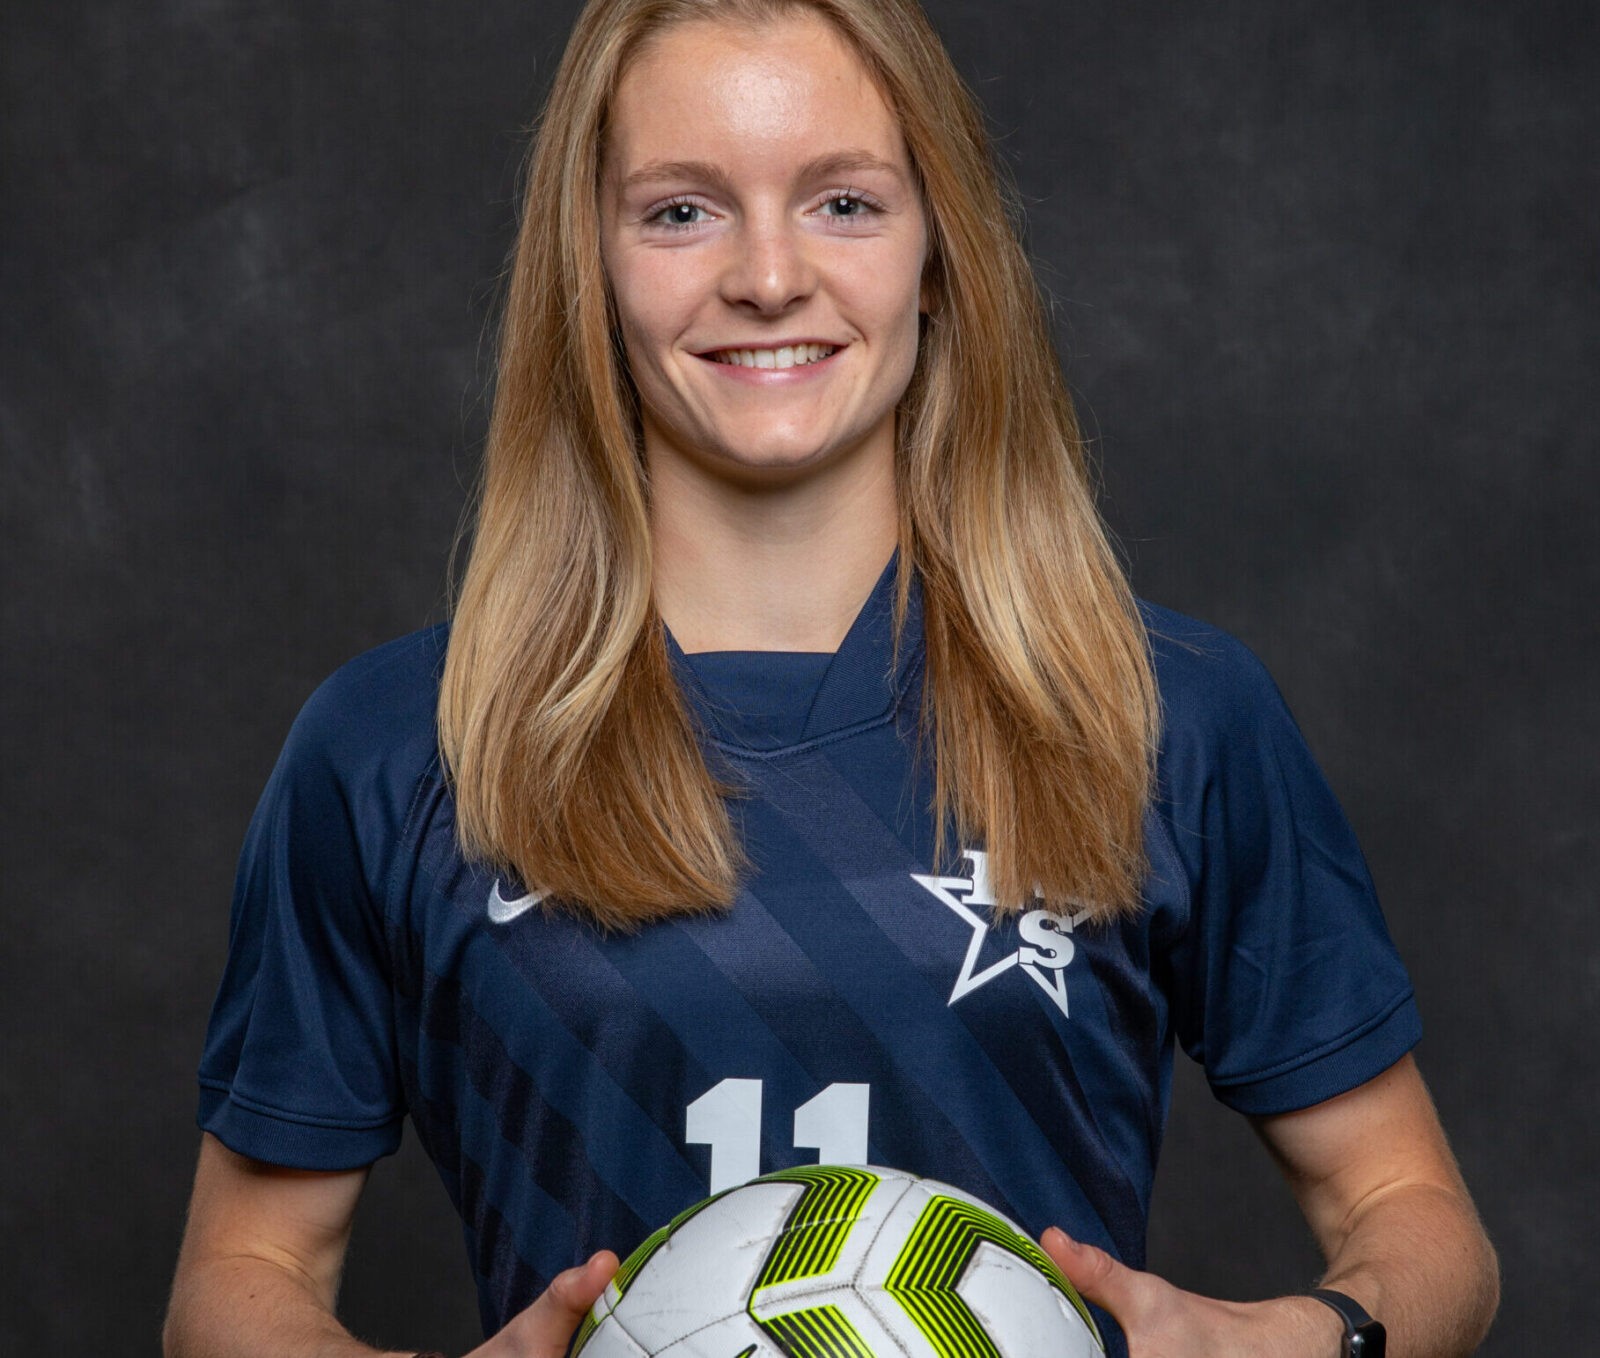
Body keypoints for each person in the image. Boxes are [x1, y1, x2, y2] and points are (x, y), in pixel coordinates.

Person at [163, 0, 1499, 1355]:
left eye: (843, 202)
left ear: (936, 251)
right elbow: (238, 1272)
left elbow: (1412, 1211)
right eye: (681, 212)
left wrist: (1296, 1335)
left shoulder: (1163, 715)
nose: (767, 276)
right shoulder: (401, 744)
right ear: (592, 265)